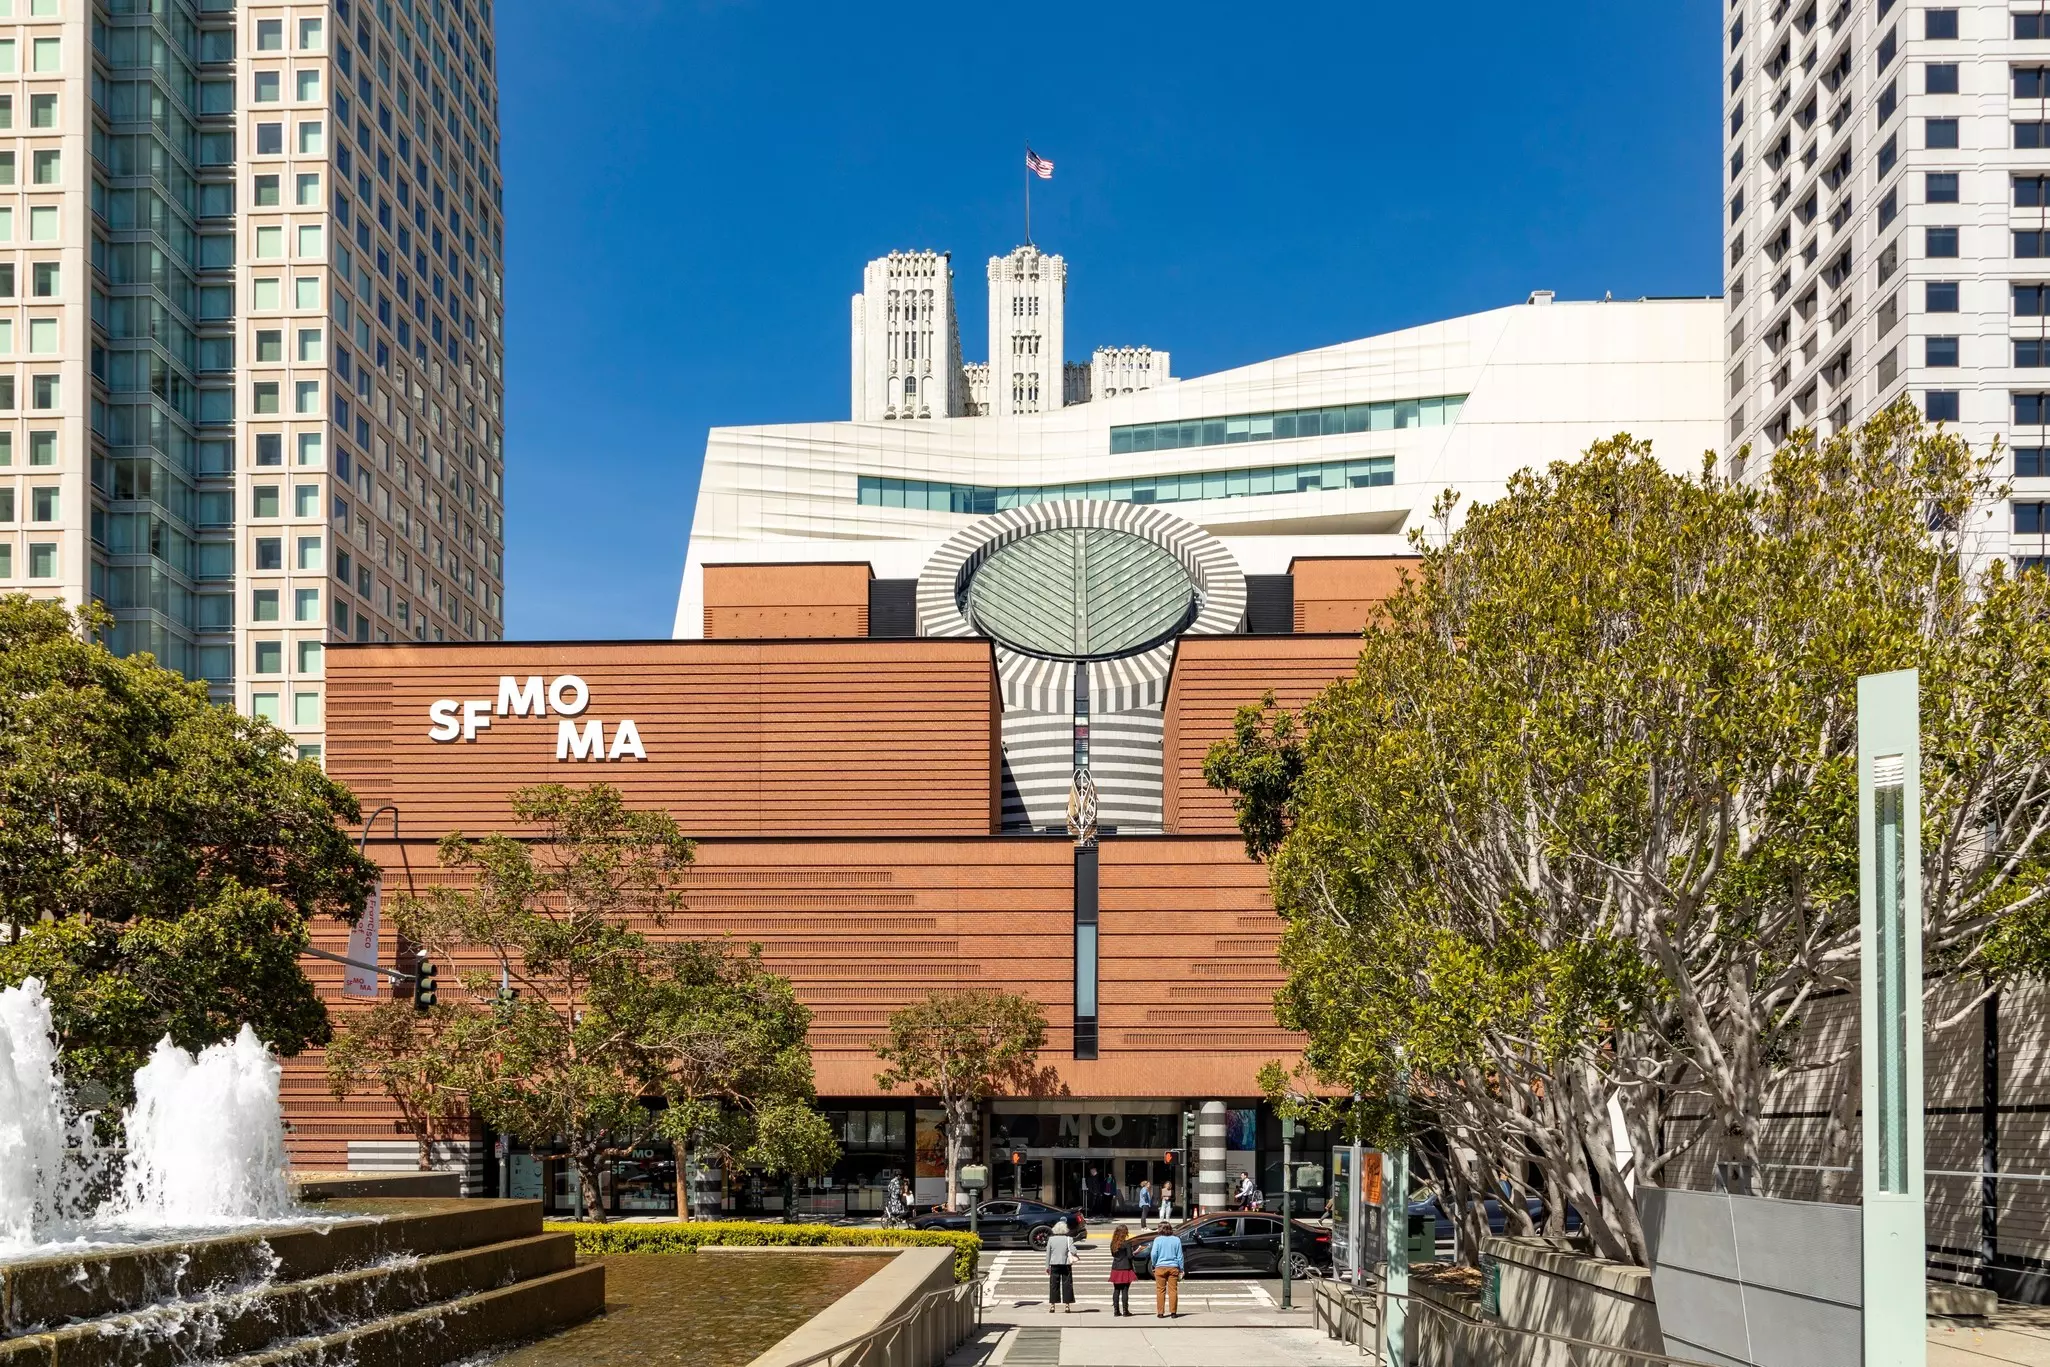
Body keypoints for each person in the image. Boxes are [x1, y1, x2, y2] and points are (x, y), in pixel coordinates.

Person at [1148, 1220, 1185, 1318]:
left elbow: (1153, 1254)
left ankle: (1160, 1313)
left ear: (1160, 1229)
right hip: (1173, 1267)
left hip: (1160, 1267)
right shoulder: (1176, 1240)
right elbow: (1180, 1256)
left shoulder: (1157, 1240)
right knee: (1173, 1290)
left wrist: (1154, 1264)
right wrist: (1181, 1268)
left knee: (1160, 1290)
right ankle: (1173, 1312)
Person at [1044, 1219, 1076, 1313]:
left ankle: (1053, 1305)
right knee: (1067, 1284)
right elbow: (1073, 1251)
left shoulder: (1051, 1239)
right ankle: (1067, 1305)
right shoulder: (1068, 1239)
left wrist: (1047, 1266)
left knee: (1054, 1285)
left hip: (1054, 1264)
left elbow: (1048, 1254)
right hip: (1065, 1264)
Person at [1108, 1224, 1137, 1316]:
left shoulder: (1113, 1243)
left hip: (1116, 1268)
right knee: (1125, 1290)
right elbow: (1129, 1256)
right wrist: (1135, 1252)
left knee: (1116, 1290)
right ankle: (1125, 1310)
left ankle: (1116, 1310)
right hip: (1125, 1268)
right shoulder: (1127, 1243)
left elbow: (1113, 1255)